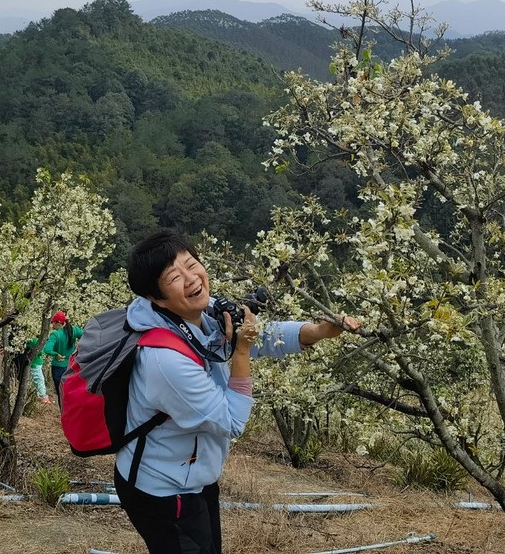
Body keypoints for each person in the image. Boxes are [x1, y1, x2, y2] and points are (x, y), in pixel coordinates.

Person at [116, 229, 360, 554]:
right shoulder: (164, 361)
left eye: (191, 264)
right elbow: (231, 421)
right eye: (174, 277)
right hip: (162, 488)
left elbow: (258, 334)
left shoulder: (200, 312)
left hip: (193, 476)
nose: (191, 279)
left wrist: (317, 331)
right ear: (156, 297)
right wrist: (241, 352)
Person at [43, 310, 82, 411]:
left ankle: (64, 414)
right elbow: (87, 335)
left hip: (58, 367)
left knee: (61, 394)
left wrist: (56, 354)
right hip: (72, 366)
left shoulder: (55, 334)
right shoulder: (74, 330)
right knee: (72, 392)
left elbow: (47, 349)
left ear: (59, 322)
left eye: (53, 323)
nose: (52, 325)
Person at [24, 336, 52, 405]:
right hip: (35, 364)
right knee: (39, 380)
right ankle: (43, 397)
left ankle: (37, 395)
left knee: (35, 380)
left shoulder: (34, 340)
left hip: (36, 363)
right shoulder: (35, 341)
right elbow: (41, 352)